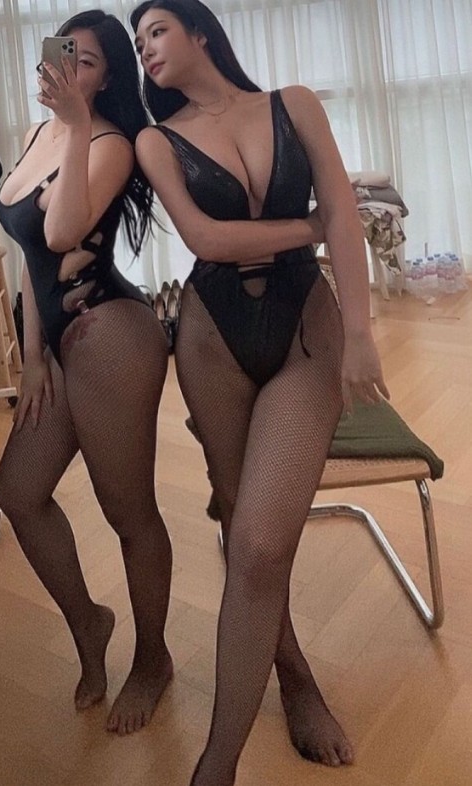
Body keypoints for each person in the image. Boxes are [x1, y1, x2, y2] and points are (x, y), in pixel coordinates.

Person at [131, 0, 389, 782]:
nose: (146, 48)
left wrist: (361, 332)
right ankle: (293, 672)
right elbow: (207, 239)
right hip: (212, 338)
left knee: (259, 543)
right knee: (241, 520)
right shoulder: (155, 139)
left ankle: (215, 764)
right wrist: (312, 228)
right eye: (136, 42)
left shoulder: (293, 104)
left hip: (306, 325)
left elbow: (344, 210)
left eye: (156, 30)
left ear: (199, 30)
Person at [0, 10, 173, 736]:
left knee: (128, 512)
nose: (70, 70)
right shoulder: (36, 134)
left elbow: (63, 231)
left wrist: (74, 124)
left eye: (89, 62)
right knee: (18, 491)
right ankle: (89, 622)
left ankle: (154, 658)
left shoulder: (110, 144)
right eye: (64, 54)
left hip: (111, 339)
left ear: (108, 79)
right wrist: (33, 356)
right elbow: (31, 257)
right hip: (60, 345)